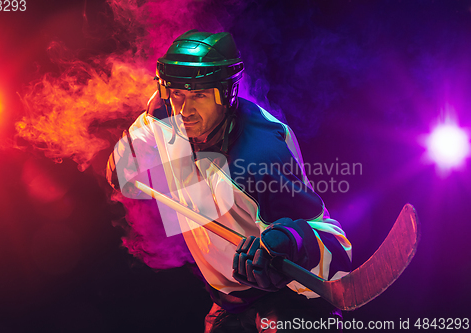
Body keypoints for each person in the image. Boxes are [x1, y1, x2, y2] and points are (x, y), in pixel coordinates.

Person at [106, 30, 352, 332]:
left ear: (227, 93)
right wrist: (126, 158)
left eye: (198, 95)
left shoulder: (260, 158)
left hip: (288, 304)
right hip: (227, 303)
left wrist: (289, 242)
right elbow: (122, 168)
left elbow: (335, 249)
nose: (184, 112)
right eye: (179, 94)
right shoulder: (165, 114)